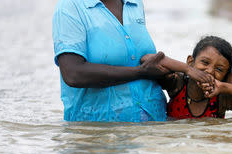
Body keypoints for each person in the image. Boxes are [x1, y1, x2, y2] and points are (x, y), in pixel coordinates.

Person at [52, 0, 185, 122]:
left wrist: (174, 78)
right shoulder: (70, 7)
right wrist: (140, 72)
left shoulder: (134, 3)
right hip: (99, 131)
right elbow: (73, 74)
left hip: (153, 126)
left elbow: (142, 60)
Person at [141, 36, 232, 119]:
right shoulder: (178, 84)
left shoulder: (221, 98)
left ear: (225, 76)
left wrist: (225, 87)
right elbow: (146, 59)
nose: (210, 71)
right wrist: (187, 70)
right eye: (205, 63)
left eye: (219, 69)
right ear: (190, 61)